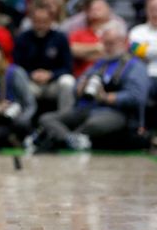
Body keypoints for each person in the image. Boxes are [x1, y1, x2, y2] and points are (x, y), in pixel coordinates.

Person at [37, 22, 149, 150]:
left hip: (114, 112)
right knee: (47, 118)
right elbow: (79, 82)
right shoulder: (100, 63)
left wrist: (106, 97)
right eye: (104, 43)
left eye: (111, 43)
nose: (107, 47)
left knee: (94, 123)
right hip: (87, 108)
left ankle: (66, 139)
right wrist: (79, 89)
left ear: (124, 42)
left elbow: (137, 97)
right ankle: (71, 140)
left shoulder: (134, 66)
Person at [14, 3, 75, 113]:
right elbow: (17, 66)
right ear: (31, 21)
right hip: (31, 82)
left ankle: (65, 117)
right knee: (18, 84)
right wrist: (31, 74)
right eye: (37, 21)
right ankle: (24, 122)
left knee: (68, 81)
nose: (41, 25)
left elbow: (68, 67)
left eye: (44, 21)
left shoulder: (60, 38)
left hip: (53, 82)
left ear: (51, 21)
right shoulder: (23, 38)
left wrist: (51, 74)